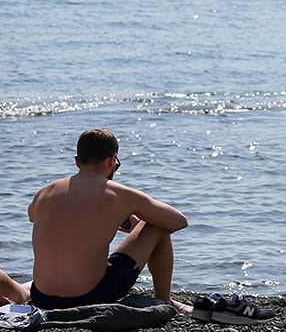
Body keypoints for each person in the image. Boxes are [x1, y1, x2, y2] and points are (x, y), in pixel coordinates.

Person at [27, 129, 192, 312]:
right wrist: (132, 214)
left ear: (77, 161)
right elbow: (178, 221)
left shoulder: (45, 192)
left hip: (41, 297)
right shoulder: (116, 193)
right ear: (112, 160)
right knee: (157, 225)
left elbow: (33, 216)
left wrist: (113, 218)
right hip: (89, 298)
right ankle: (164, 299)